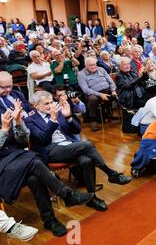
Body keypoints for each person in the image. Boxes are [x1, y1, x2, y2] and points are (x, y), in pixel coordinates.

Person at [25, 91, 132, 211]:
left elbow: (77, 130)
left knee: (87, 160)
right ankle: (111, 174)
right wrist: (53, 120)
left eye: (51, 102)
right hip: (50, 150)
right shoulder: (30, 119)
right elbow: (42, 139)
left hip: (68, 145)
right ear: (35, 105)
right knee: (86, 145)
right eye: (46, 104)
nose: (50, 105)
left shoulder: (57, 111)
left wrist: (68, 117)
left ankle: (92, 198)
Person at [1, 98, 94, 236]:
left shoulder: (5, 114)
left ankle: (50, 220)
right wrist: (3, 130)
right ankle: (68, 196)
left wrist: (18, 122)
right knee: (35, 162)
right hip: (5, 166)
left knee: (35, 178)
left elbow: (23, 140)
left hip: (18, 159)